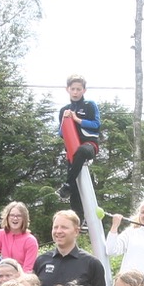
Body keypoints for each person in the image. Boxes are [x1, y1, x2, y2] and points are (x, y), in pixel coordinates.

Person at [33, 210, 108, 286]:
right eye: (55, 227)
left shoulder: (91, 264)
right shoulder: (41, 261)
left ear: (76, 231)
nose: (58, 231)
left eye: (64, 227)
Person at [57, 75, 103, 214]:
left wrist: (77, 119)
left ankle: (67, 184)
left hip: (89, 145)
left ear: (84, 90)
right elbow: (61, 133)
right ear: (68, 89)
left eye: (78, 89)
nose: (75, 92)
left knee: (82, 151)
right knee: (76, 191)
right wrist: (66, 120)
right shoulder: (64, 110)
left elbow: (96, 125)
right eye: (73, 89)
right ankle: (78, 218)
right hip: (72, 150)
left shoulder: (90, 105)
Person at [0, 201, 39, 283]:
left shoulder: (30, 240)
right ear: (7, 217)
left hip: (20, 278)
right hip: (4, 276)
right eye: (12, 215)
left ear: (24, 219)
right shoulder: (1, 234)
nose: (15, 218)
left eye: (19, 216)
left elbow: (27, 270)